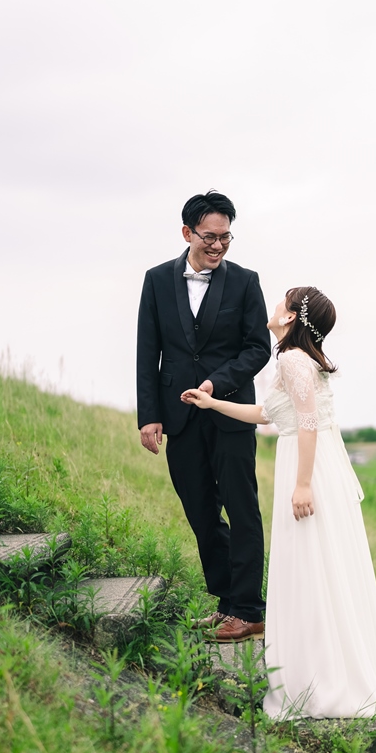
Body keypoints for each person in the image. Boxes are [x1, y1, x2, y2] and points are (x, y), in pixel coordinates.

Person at [181, 286, 376, 753]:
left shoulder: (293, 359)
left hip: (308, 470)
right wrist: (212, 405)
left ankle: (321, 681)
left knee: (312, 569)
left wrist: (302, 484)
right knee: (314, 571)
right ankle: (315, 669)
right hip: (309, 464)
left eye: (282, 302)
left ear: (292, 316)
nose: (274, 307)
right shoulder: (295, 360)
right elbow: (266, 416)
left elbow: (308, 423)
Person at [136, 190, 271, 642]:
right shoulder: (156, 280)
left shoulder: (246, 282)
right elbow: (148, 352)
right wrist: (149, 415)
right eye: (209, 237)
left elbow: (257, 348)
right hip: (179, 417)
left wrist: (217, 382)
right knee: (200, 510)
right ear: (187, 233)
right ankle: (228, 602)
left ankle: (249, 610)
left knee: (242, 509)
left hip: (230, 412)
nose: (217, 245)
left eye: (225, 237)